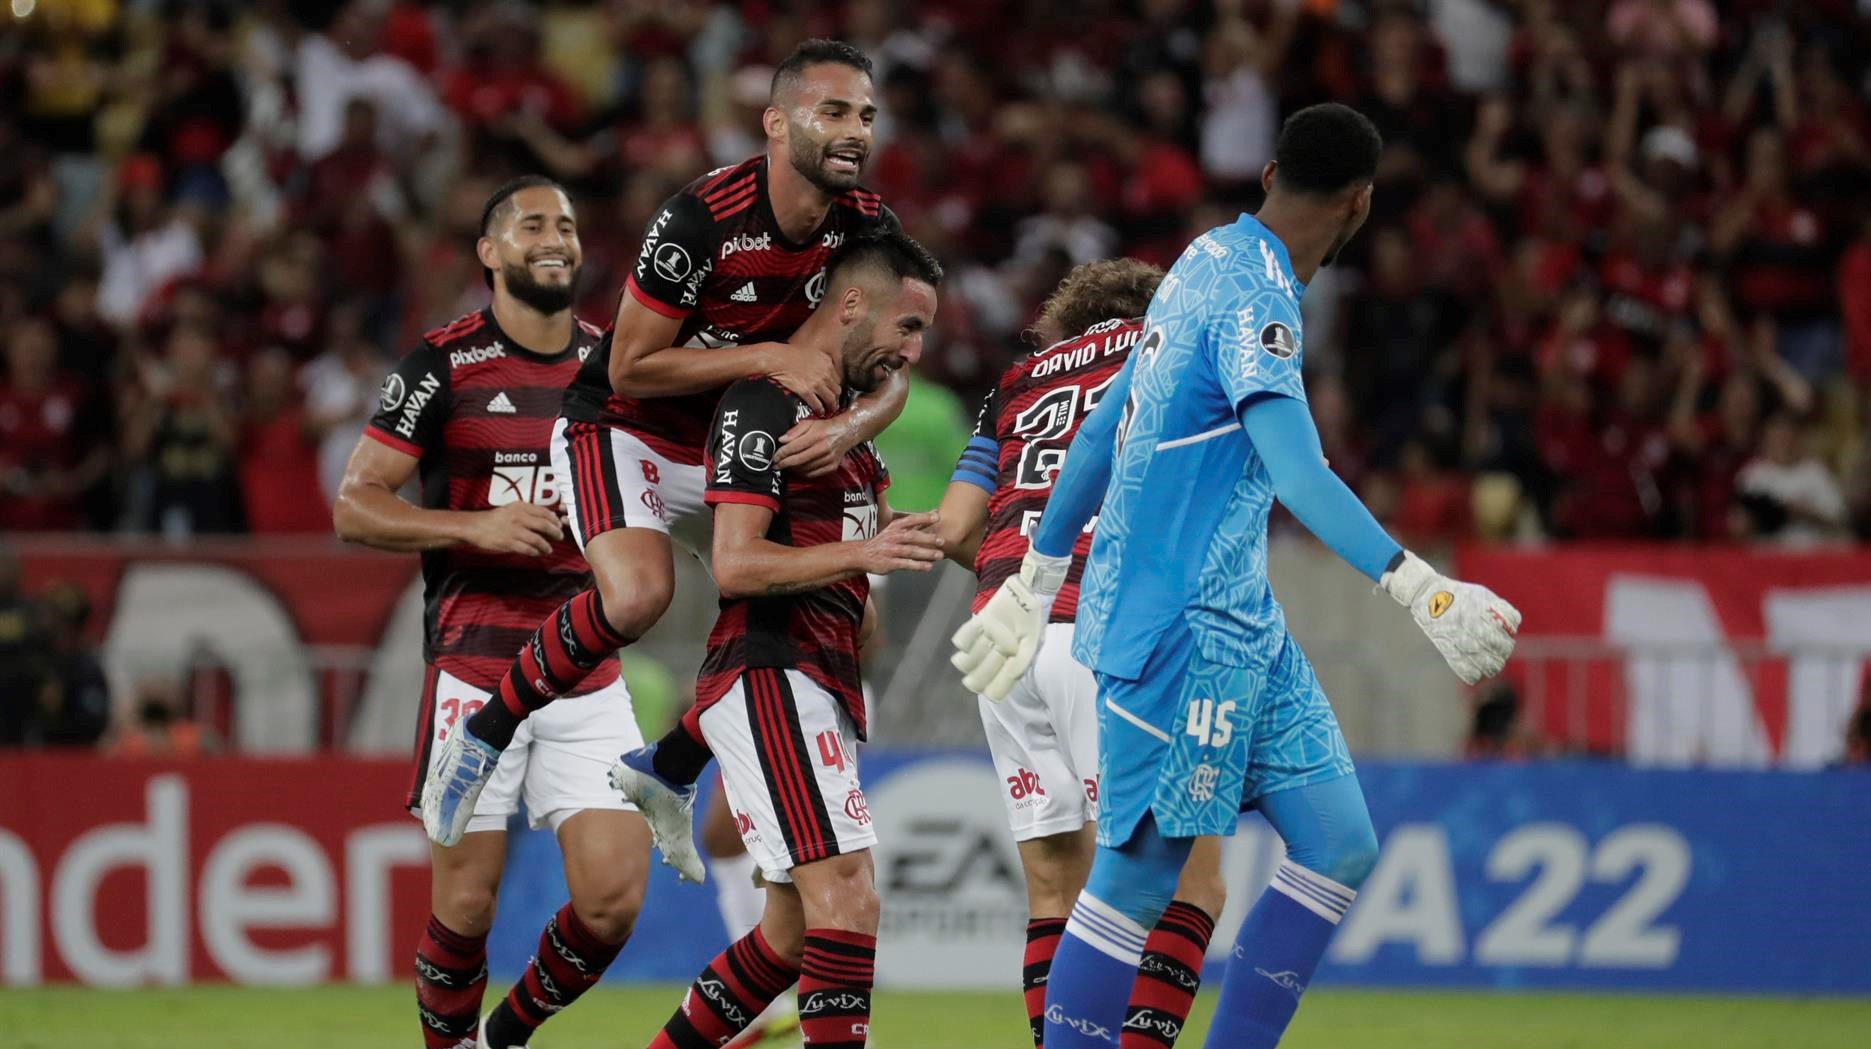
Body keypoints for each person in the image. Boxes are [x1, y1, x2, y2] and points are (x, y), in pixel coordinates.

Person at [951, 104, 1521, 1049]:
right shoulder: (1257, 303)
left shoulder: (1198, 261)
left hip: (1242, 622)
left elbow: (1100, 431)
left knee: (1339, 843)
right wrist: (1419, 586)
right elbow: (1299, 472)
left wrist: (1033, 572)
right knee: (1137, 879)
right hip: (1174, 629)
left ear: (1267, 177)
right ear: (1360, 203)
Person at [426, 40, 907, 870]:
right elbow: (630, 365)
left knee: (851, 619)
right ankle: (481, 736)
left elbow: (898, 363)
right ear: (774, 122)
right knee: (641, 595)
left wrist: (849, 427)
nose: (854, 130)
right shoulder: (701, 220)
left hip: (739, 439)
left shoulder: (868, 228)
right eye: (832, 111)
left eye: (864, 114)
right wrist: (767, 357)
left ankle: (669, 766)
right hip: (625, 427)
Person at [331, 176, 654, 1049]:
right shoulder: (442, 364)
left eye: (569, 224)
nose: (557, 238)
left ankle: (498, 1038)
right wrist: (475, 524)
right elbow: (356, 503)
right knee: (465, 903)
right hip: (475, 666)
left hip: (585, 667)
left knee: (614, 898)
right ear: (489, 252)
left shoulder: (616, 363)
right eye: (533, 224)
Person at [642, 230, 945, 1049]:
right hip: (772, 670)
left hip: (824, 678)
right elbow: (735, 563)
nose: (912, 352)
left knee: (786, 935)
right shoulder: (762, 403)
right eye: (907, 328)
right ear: (850, 305)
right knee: (849, 898)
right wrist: (863, 554)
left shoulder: (845, 428)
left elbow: (875, 544)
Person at [935, 258, 1227, 1049]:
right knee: (1189, 884)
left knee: (1053, 888)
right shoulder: (1173, 342)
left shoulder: (1019, 378)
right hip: (1109, 633)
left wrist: (1020, 570)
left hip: (1006, 638)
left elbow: (957, 527)